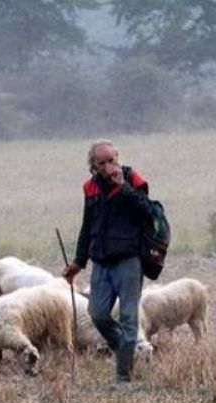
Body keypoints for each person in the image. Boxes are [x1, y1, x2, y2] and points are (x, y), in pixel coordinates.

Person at [62, 139, 154, 385]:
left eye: (111, 160)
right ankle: (126, 351)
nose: (107, 166)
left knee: (128, 318)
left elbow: (147, 212)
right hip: (101, 263)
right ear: (93, 165)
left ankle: (124, 378)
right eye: (101, 163)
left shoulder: (133, 180)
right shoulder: (90, 188)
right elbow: (87, 226)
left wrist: (123, 187)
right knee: (97, 314)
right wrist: (78, 263)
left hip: (129, 261)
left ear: (118, 158)